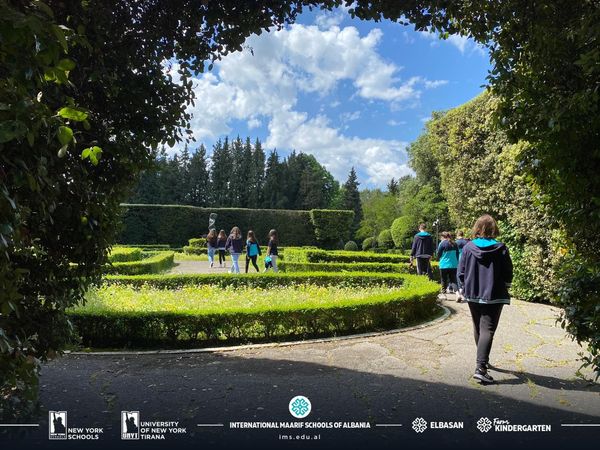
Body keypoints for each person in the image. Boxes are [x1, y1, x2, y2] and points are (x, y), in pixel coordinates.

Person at [458, 214, 513, 384]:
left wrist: (463, 286)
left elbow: (461, 271)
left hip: (472, 293)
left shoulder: (468, 247)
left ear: (477, 228)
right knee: (488, 329)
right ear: (493, 228)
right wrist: (507, 285)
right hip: (494, 294)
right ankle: (481, 368)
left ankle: (482, 358)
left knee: (478, 326)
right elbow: (508, 272)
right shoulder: (501, 248)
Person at [437, 231, 460, 297]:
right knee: (453, 280)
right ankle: (458, 294)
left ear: (443, 237)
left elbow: (438, 254)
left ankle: (444, 295)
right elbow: (457, 254)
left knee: (443, 280)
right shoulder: (455, 243)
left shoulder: (442, 243)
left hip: (444, 265)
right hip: (453, 265)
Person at [455, 230, 470, 301]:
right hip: (467, 260)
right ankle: (466, 290)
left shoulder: (456, 243)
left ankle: (461, 289)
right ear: (463, 234)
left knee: (459, 275)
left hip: (459, 260)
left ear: (457, 235)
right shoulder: (467, 242)